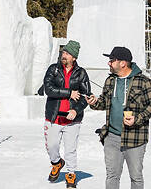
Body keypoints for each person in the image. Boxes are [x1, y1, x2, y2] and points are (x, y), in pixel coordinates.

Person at [87, 46, 151, 189]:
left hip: (135, 138)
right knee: (112, 176)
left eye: (111, 60)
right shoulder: (110, 81)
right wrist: (95, 102)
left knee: (136, 177)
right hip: (112, 137)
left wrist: (138, 118)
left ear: (123, 63)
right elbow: (104, 102)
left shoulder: (143, 81)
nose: (109, 63)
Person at [42, 40, 90, 188]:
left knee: (70, 149)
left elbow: (86, 96)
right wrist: (69, 93)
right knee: (51, 146)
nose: (64, 55)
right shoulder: (53, 69)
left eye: (68, 53)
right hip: (54, 117)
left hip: (72, 119)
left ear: (74, 57)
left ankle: (71, 173)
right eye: (64, 52)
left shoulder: (81, 73)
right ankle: (57, 163)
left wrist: (76, 110)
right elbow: (48, 89)